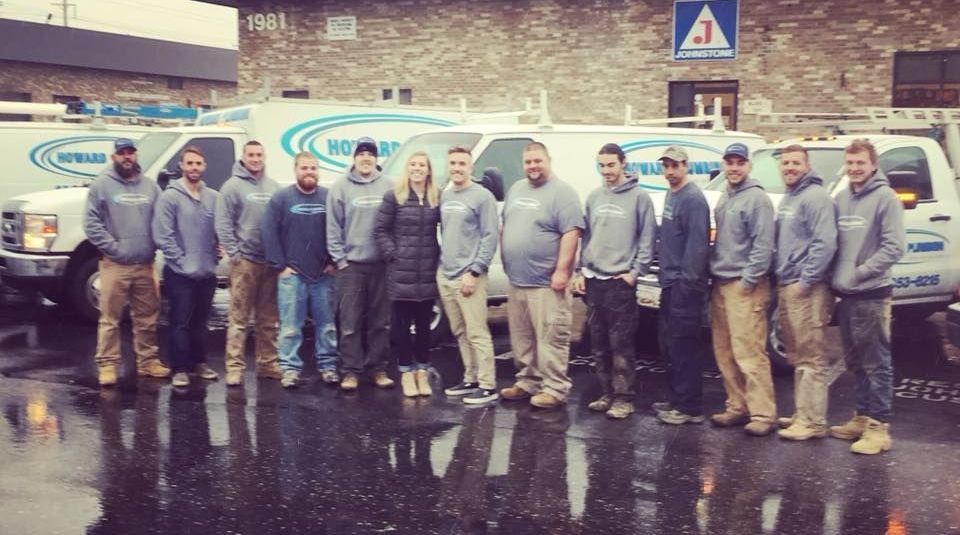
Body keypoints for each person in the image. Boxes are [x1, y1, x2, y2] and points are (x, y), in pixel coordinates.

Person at [829, 138, 905, 454]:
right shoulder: (842, 198)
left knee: (877, 363)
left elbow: (894, 247)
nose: (855, 169)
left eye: (860, 163)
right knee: (857, 362)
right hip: (847, 296)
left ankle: (879, 427)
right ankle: (861, 417)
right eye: (850, 163)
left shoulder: (886, 198)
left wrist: (859, 273)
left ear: (873, 165)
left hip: (872, 294)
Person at [571, 143, 656, 419]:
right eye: (602, 165)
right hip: (595, 281)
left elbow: (647, 239)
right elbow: (587, 238)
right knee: (598, 344)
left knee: (621, 344)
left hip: (620, 282)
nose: (606, 171)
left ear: (623, 164)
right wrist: (580, 270)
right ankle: (606, 392)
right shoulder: (594, 197)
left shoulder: (640, 198)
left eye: (611, 165)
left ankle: (624, 398)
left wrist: (634, 273)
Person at [499, 142, 584, 409]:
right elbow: (507, 224)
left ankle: (555, 388)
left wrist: (562, 271)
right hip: (518, 281)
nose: (533, 166)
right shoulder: (516, 189)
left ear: (549, 160)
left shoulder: (563, 193)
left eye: (537, 161)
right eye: (528, 162)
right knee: (522, 339)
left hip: (548, 284)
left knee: (551, 338)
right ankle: (528, 381)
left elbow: (571, 232)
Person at [84, 138, 167, 386]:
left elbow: (161, 222)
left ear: (136, 155)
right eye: (122, 153)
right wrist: (114, 249)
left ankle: (148, 362)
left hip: (145, 264)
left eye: (131, 152)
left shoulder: (151, 187)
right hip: (114, 266)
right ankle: (108, 365)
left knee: (147, 317)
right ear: (114, 157)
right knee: (110, 319)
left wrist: (153, 247)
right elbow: (91, 224)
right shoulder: (101, 186)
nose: (127, 157)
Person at [708, 142, 778, 436]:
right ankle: (738, 406)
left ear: (749, 166)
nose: (734, 168)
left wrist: (749, 281)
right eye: (729, 162)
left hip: (744, 286)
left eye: (739, 163)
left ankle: (763, 413)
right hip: (721, 283)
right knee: (724, 351)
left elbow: (763, 246)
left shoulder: (757, 199)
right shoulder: (725, 195)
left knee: (749, 351)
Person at [773, 144, 838, 440]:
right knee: (798, 354)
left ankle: (813, 422)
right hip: (789, 285)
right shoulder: (790, 197)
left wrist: (806, 281)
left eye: (796, 162)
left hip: (807, 289)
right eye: (785, 162)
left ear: (807, 166)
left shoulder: (815, 197)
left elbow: (824, 243)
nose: (789, 167)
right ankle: (803, 413)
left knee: (812, 354)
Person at [262, 151, 338, 389]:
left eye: (313, 168)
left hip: (323, 275)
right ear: (295, 170)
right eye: (304, 168)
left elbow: (338, 229)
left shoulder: (328, 197)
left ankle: (328, 366)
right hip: (292, 275)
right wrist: (280, 266)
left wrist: (333, 261)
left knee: (326, 326)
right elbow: (268, 232)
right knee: (290, 327)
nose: (309, 172)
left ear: (318, 171)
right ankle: (290, 369)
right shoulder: (281, 199)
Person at [327, 137, 395, 391]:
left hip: (381, 266)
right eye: (361, 153)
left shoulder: (389, 185)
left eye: (371, 154)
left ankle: (378, 369)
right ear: (354, 158)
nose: (366, 158)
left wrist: (392, 257)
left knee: (381, 322)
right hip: (351, 267)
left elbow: (394, 224)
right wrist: (341, 261)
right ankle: (351, 371)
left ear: (376, 159)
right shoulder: (340, 187)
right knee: (350, 323)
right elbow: (333, 228)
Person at [152, 145, 221, 388]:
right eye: (189, 163)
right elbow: (163, 235)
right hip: (179, 273)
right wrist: (181, 261)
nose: (194, 167)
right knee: (180, 321)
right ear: (181, 166)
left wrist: (217, 251)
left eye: (198, 163)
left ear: (204, 167)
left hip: (206, 272)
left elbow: (220, 230)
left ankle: (199, 363)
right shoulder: (170, 197)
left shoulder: (213, 197)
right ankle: (179, 368)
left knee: (201, 322)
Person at [373, 151, 442, 397]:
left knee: (424, 327)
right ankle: (406, 373)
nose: (417, 168)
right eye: (413, 164)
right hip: (401, 272)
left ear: (429, 170)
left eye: (422, 165)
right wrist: (394, 254)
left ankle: (422, 372)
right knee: (401, 328)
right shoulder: (395, 196)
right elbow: (380, 229)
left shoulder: (437, 197)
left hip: (426, 273)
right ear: (407, 168)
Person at [652, 146, 710, 425]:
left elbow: (697, 246)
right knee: (670, 345)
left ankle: (690, 407)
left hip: (685, 286)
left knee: (685, 346)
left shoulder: (693, 199)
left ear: (686, 166)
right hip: (669, 282)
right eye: (666, 166)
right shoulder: (670, 194)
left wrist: (688, 284)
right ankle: (677, 400)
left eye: (675, 166)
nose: (670, 171)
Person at [437, 147, 499, 405]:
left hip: (469, 275)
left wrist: (474, 271)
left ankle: (487, 385)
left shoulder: (482, 197)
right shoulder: (445, 194)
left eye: (462, 163)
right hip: (446, 274)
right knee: (460, 331)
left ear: (471, 167)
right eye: (453, 163)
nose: (457, 168)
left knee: (477, 332)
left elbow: (489, 236)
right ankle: (471, 377)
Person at [216, 140, 281, 386]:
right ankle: (234, 367)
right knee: (238, 319)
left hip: (269, 264)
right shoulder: (231, 187)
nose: (255, 159)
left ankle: (268, 364)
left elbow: (279, 224)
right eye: (251, 154)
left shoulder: (274, 187)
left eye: (259, 154)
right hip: (245, 263)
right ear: (243, 157)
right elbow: (223, 223)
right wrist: (235, 254)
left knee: (268, 319)